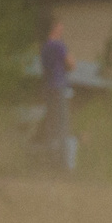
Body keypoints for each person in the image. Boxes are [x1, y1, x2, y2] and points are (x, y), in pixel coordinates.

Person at [40, 17, 76, 173]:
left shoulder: (44, 47)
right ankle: (62, 166)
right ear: (54, 28)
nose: (62, 32)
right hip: (59, 86)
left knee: (51, 124)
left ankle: (49, 162)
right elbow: (71, 64)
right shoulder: (59, 45)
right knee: (63, 125)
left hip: (48, 88)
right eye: (60, 29)